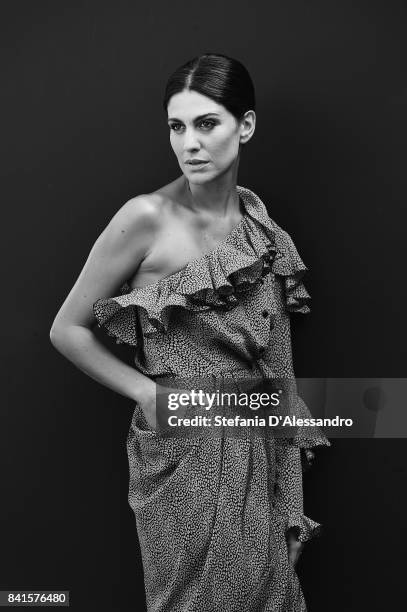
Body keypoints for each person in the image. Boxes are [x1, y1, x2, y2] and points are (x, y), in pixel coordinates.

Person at [50, 52, 330, 612]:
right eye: (177, 126)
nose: (189, 143)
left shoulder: (258, 225)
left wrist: (290, 500)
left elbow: (279, 367)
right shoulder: (146, 217)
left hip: (257, 447)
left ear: (244, 126)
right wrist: (146, 393)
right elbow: (67, 329)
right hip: (183, 453)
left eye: (207, 124)